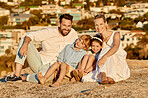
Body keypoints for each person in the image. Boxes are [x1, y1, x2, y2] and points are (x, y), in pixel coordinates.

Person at [6, 14, 78, 83]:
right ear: (59, 24)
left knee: (44, 77)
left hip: (53, 67)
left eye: (69, 26)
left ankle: (24, 78)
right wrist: (25, 44)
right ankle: (17, 75)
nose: (67, 28)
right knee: (25, 40)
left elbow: (78, 48)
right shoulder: (49, 32)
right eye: (64, 25)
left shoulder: (73, 34)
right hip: (40, 61)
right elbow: (30, 35)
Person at [82, 13, 130, 84]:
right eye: (96, 25)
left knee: (107, 50)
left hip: (117, 61)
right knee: (104, 51)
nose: (99, 27)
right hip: (104, 63)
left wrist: (105, 57)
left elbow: (115, 47)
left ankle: (108, 76)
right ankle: (104, 76)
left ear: (105, 23)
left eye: (101, 24)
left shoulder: (115, 34)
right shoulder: (97, 37)